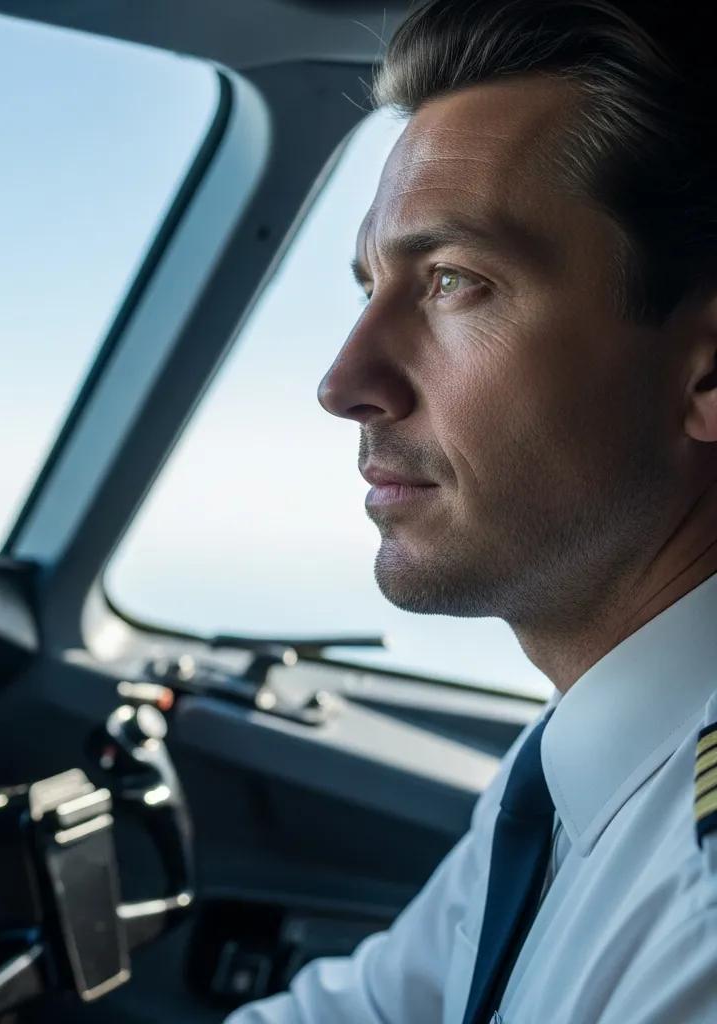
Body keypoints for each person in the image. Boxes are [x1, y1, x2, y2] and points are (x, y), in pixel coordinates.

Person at [225, 1, 717, 1021]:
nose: (344, 380)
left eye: (452, 280)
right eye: (369, 283)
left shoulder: (699, 919)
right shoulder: (579, 758)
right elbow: (364, 1010)